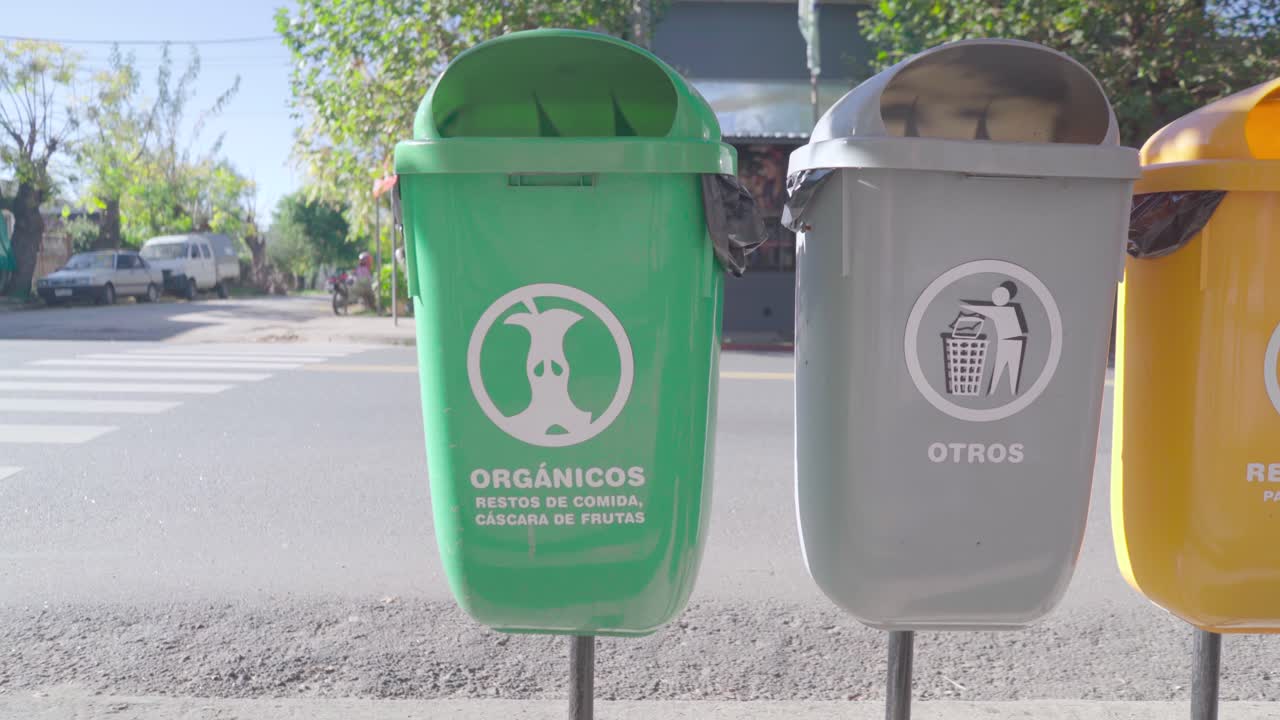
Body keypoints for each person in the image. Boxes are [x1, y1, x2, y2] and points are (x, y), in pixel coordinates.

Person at [960, 281, 1028, 396]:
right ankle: (997, 392)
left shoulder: (1006, 309)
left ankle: (1006, 393)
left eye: (1001, 294)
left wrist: (962, 303)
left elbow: (982, 308)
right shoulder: (1014, 308)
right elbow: (1024, 329)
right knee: (1003, 368)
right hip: (1012, 341)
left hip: (1012, 341)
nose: (996, 297)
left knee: (1008, 369)